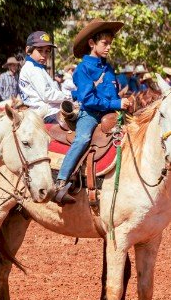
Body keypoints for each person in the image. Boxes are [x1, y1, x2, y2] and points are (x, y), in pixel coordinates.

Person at [53, 20, 130, 204]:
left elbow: (111, 93)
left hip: (111, 113)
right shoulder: (83, 69)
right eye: (105, 43)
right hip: (90, 113)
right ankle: (60, 181)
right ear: (91, 43)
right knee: (83, 138)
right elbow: (88, 100)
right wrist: (117, 102)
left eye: (110, 43)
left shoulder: (108, 68)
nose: (109, 47)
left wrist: (122, 102)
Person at [18, 31, 69, 122]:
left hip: (47, 111)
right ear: (28, 50)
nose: (44, 55)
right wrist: (69, 96)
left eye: (47, 51)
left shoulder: (37, 67)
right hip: (47, 114)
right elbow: (47, 95)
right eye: (40, 50)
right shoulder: (32, 69)